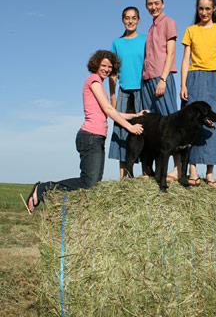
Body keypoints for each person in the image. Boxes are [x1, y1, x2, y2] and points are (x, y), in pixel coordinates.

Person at [25, 50, 144, 213]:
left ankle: (79, 210)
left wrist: (135, 115)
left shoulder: (99, 84)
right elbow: (109, 109)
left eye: (110, 67)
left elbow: (110, 111)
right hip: (90, 137)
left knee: (93, 184)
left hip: (96, 138)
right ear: (96, 64)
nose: (106, 69)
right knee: (88, 182)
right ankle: (42, 189)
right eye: (103, 65)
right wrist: (130, 127)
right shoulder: (94, 80)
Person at [180, 0, 216, 187]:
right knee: (191, 126)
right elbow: (185, 60)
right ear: (197, 10)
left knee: (213, 127)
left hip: (215, 78)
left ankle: (210, 173)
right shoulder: (190, 30)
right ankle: (192, 171)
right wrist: (183, 84)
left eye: (207, 8)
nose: (204, 12)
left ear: (214, 9)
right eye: (201, 8)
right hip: (193, 78)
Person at [142, 0, 181, 181]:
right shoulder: (149, 29)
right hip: (147, 80)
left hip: (161, 79)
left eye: (156, 3)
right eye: (149, 4)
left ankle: (178, 168)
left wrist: (163, 79)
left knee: (170, 124)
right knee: (154, 125)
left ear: (163, 4)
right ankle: (158, 170)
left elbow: (171, 53)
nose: (153, 7)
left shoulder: (169, 22)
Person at [108, 6, 147, 179]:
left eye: (134, 18)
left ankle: (146, 174)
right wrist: (113, 97)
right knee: (122, 131)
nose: (130, 21)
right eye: (127, 18)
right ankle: (124, 178)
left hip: (142, 92)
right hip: (124, 92)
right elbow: (113, 74)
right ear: (123, 20)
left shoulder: (146, 40)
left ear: (139, 20)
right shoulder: (117, 44)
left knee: (144, 132)